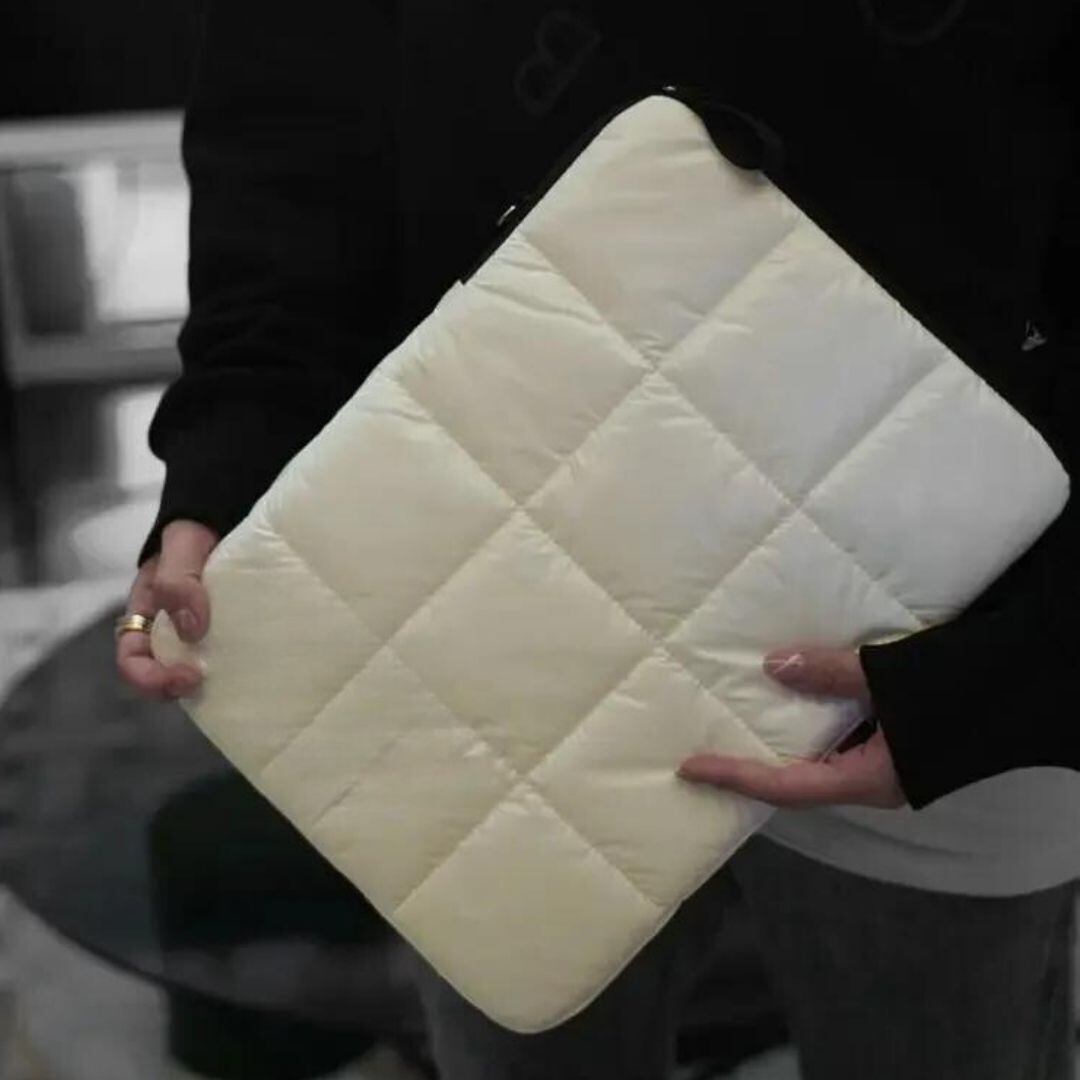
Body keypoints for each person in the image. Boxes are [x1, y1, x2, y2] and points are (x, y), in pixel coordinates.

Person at [116, 2, 1080, 1077]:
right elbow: (293, 127)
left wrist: (1019, 675)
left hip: (949, 607)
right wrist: (230, 461)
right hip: (484, 575)